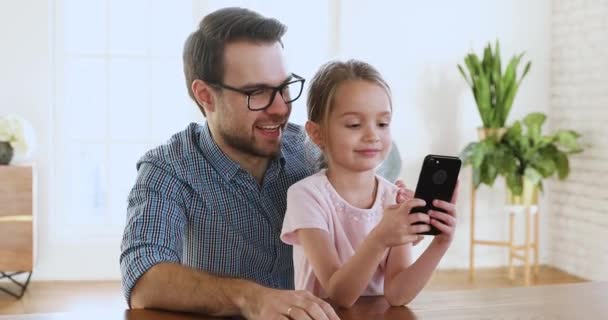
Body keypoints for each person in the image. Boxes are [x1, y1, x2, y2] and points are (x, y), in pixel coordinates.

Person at [120, 7, 406, 320]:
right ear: (205, 96)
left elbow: (384, 163)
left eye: (284, 87)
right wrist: (250, 297)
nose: (281, 108)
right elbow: (143, 281)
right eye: (257, 93)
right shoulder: (169, 169)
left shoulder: (312, 149)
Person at [280, 60, 459, 308]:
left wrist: (440, 244)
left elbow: (398, 294)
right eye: (354, 124)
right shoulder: (306, 196)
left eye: (383, 123)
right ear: (317, 133)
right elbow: (338, 295)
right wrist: (380, 239)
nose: (373, 135)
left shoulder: (394, 199)